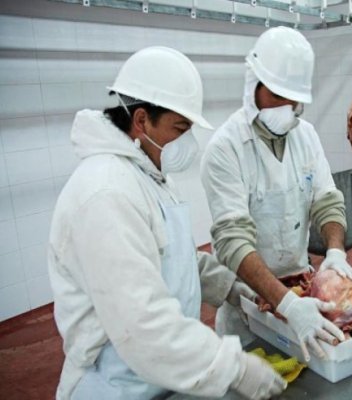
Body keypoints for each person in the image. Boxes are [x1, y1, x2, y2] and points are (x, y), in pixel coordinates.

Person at [48, 47, 285, 400]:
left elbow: (172, 258)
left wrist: (230, 285)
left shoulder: (149, 176)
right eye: (180, 128)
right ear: (141, 120)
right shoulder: (106, 192)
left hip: (159, 377)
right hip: (117, 384)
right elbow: (142, 324)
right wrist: (233, 367)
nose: (188, 142)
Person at [200, 27, 352, 362]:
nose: (287, 106)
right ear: (252, 85)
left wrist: (334, 252)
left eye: (294, 98)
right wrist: (286, 305)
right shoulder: (226, 148)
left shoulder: (307, 137)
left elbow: (326, 200)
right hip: (250, 303)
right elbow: (233, 240)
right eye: (277, 94)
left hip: (302, 286)